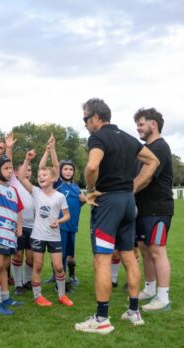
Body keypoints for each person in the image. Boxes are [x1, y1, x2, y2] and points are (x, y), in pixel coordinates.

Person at [74, 98, 159, 335]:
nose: (84, 124)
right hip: (128, 203)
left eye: (85, 119)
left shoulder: (98, 137)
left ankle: (101, 318)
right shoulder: (128, 138)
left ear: (96, 118)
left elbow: (92, 167)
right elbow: (153, 160)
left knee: (102, 259)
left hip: (108, 202)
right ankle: (134, 312)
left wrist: (90, 191)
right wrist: (134, 186)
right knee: (129, 257)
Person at [19, 149, 73, 307]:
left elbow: (67, 215)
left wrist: (59, 221)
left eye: (44, 175)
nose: (41, 177)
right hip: (38, 236)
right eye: (39, 175)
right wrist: (27, 160)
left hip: (54, 236)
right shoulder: (35, 191)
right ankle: (38, 296)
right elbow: (22, 177)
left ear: (53, 178)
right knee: (38, 265)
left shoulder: (60, 196)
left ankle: (62, 295)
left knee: (58, 266)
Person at [133, 108, 174, 312]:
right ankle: (150, 289)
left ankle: (163, 298)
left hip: (158, 209)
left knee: (157, 251)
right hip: (142, 209)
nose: (138, 128)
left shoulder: (159, 147)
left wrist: (127, 191)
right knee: (145, 249)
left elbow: (146, 178)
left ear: (153, 124)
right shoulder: (144, 149)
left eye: (141, 124)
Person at [0, 139, 24, 315]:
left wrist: (19, 226)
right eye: (6, 168)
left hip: (10, 235)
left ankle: (5, 296)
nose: (10, 171)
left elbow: (18, 209)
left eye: (11, 168)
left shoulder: (13, 190)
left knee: (4, 266)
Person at [41, 135, 86, 286]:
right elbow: (54, 164)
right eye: (65, 169)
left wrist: (83, 202)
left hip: (72, 226)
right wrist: (52, 148)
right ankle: (57, 276)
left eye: (70, 169)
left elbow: (76, 206)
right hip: (59, 226)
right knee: (58, 254)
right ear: (60, 171)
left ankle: (72, 276)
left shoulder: (76, 187)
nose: (68, 171)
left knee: (70, 255)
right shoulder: (58, 184)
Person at [6, 133, 35, 296]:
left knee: (30, 258)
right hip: (17, 226)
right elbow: (8, 163)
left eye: (30, 170)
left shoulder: (35, 187)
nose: (28, 171)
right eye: (25, 169)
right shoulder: (14, 182)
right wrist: (9, 148)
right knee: (17, 256)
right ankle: (18, 284)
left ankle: (27, 281)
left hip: (33, 227)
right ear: (16, 172)